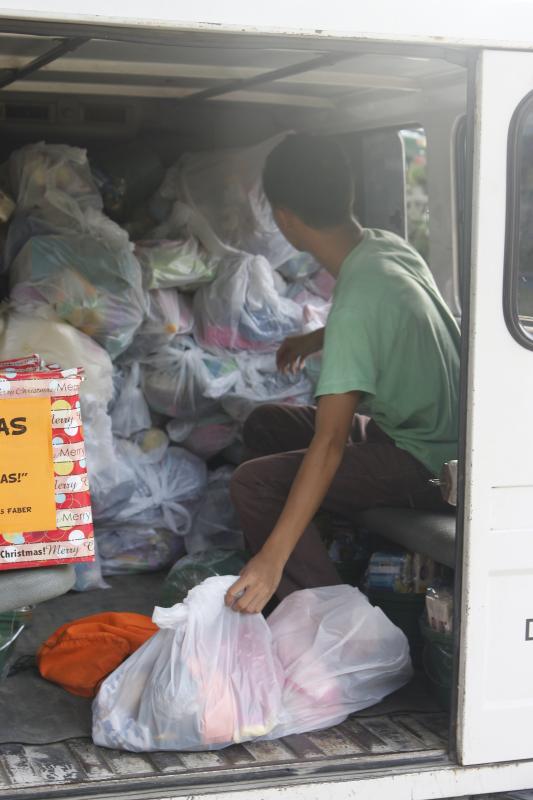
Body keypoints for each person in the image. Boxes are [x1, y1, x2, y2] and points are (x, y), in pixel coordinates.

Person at [224, 133, 460, 615]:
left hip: (431, 468)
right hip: (427, 436)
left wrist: (272, 557)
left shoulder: (355, 305)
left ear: (285, 219)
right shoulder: (386, 248)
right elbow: (383, 317)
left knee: (254, 484)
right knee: (266, 422)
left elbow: (329, 444)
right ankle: (315, 556)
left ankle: (327, 614)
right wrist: (314, 339)